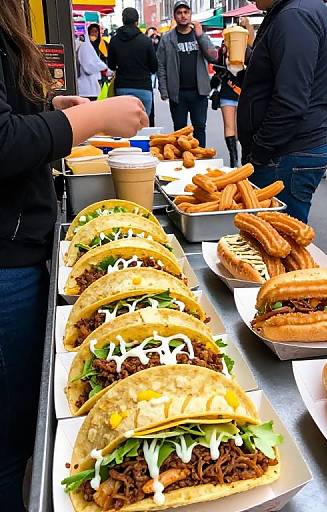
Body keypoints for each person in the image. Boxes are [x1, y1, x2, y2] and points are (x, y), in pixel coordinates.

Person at [0, 3, 148, 509]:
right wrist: (92, 119)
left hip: (19, 246)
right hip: (5, 262)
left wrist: (49, 113)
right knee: (11, 436)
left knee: (22, 427)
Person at [237, 0, 327, 223]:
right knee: (274, 241)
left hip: (285, 153)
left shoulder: (296, 15)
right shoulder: (293, 11)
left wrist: (259, 153)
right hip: (286, 150)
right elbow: (283, 79)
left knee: (278, 244)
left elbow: (290, 101)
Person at [157, 0, 217, 147]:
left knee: (200, 128)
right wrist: (164, 90)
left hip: (199, 92)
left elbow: (213, 56)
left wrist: (200, 36)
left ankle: (201, 158)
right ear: (174, 16)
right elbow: (161, 66)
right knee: (180, 131)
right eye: (179, 13)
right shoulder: (167, 39)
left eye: (186, 12)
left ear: (190, 14)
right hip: (178, 93)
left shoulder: (200, 36)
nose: (183, 16)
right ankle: (182, 162)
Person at [214, 17, 255, 167]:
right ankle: (239, 160)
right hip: (243, 93)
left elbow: (216, 67)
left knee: (231, 127)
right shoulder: (252, 50)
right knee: (239, 128)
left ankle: (235, 160)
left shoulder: (227, 47)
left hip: (230, 91)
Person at [108, 7, 158, 115]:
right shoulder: (146, 41)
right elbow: (154, 67)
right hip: (143, 87)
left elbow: (111, 65)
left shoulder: (115, 40)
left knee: (124, 125)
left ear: (123, 20)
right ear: (137, 21)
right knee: (143, 125)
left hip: (122, 87)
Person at [75, 33, 107, 100]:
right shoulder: (85, 45)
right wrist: (103, 66)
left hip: (83, 88)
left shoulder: (79, 44)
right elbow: (88, 67)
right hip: (87, 89)